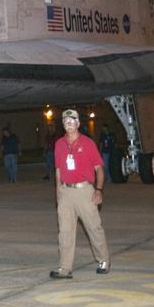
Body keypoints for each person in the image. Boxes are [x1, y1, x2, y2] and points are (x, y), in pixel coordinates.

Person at [50, 109, 110, 279]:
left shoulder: (88, 143)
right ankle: (65, 267)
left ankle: (103, 259)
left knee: (93, 227)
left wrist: (98, 190)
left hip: (84, 191)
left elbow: (99, 168)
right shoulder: (59, 144)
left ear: (78, 123)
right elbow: (58, 170)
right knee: (65, 231)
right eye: (65, 121)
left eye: (72, 121)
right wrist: (58, 194)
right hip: (66, 191)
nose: (69, 124)